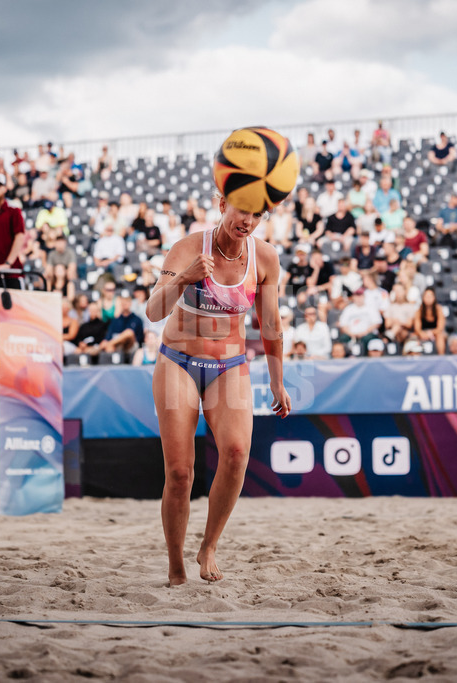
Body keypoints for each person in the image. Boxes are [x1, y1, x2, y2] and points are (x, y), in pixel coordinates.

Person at [145, 172, 290, 586]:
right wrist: (185, 277)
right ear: (222, 203)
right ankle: (176, 565)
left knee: (237, 454)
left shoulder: (264, 258)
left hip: (229, 366)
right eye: (241, 208)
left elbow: (272, 324)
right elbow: (154, 311)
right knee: (180, 473)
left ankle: (208, 546)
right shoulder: (189, 248)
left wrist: (278, 381)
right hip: (178, 362)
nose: (247, 219)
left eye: (257, 213)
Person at [100, 290, 144, 355]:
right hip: (117, 345)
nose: (125, 303)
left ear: (130, 302)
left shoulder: (137, 319)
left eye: (127, 301)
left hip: (131, 345)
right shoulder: (115, 320)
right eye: (123, 301)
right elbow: (108, 336)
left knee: (129, 332)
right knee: (108, 345)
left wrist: (111, 342)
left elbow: (134, 336)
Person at [412, 286, 446, 355]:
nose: (428, 298)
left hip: (435, 333)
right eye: (426, 296)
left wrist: (430, 333)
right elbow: (417, 328)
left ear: (434, 298)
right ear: (423, 298)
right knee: (413, 337)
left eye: (430, 296)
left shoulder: (438, 309)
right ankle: (415, 358)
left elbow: (440, 328)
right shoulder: (419, 310)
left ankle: (441, 357)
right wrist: (422, 334)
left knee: (440, 336)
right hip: (422, 333)